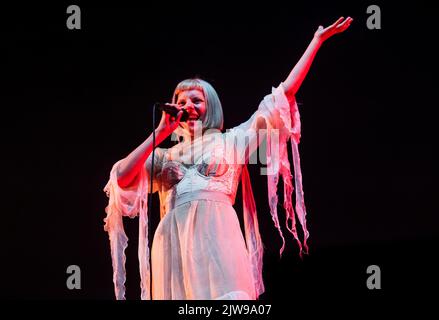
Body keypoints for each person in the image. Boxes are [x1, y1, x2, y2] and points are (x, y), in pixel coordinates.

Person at [103, 16, 353, 300]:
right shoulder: (163, 156)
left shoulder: (231, 141)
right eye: (182, 102)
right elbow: (121, 177)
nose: (189, 107)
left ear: (210, 106)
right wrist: (160, 132)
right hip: (174, 245)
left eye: (196, 100)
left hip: (217, 239)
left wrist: (316, 42)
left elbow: (282, 96)